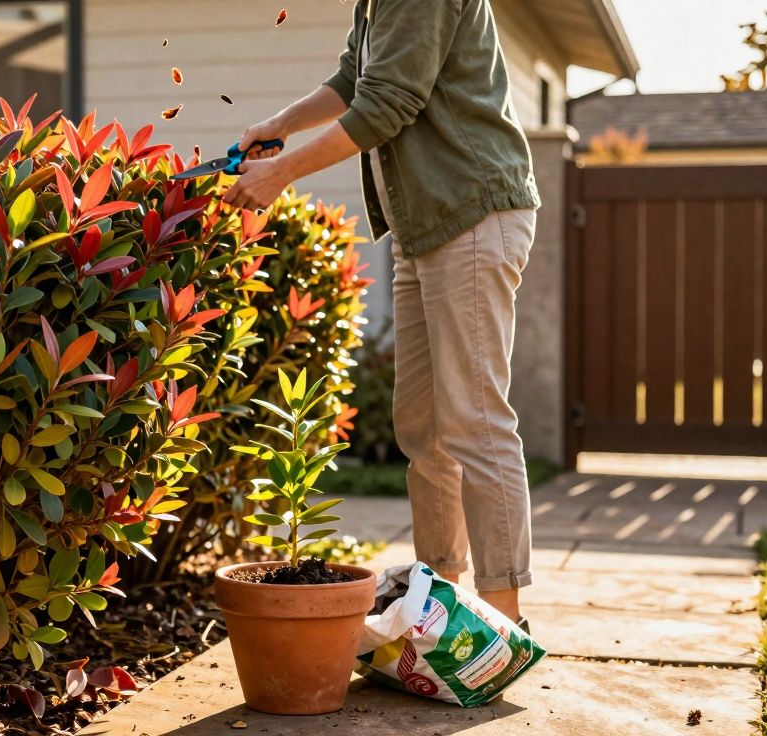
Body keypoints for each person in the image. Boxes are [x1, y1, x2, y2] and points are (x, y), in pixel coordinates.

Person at [224, 0, 539, 626]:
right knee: (423, 427)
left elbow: (387, 105)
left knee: (474, 420)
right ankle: (441, 602)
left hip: (470, 210)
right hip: (423, 225)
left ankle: (503, 624)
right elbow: (354, 78)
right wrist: (278, 123)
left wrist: (281, 173)